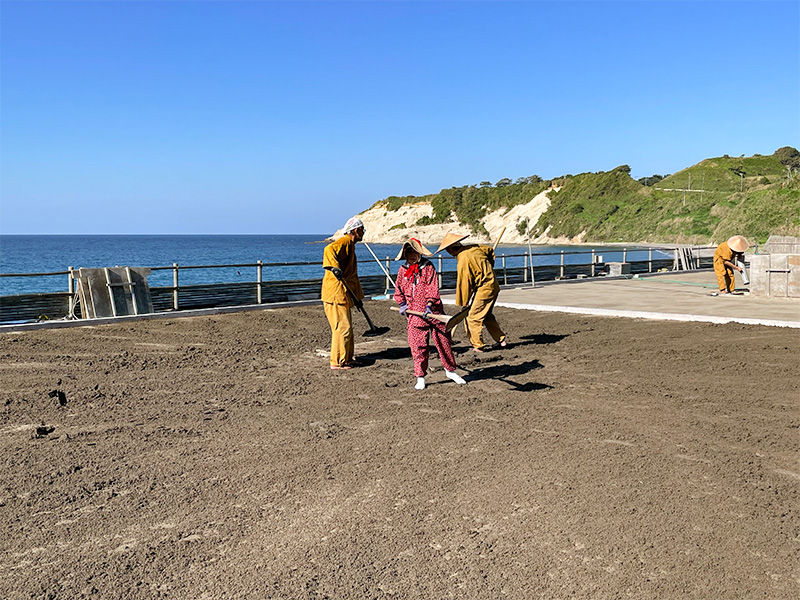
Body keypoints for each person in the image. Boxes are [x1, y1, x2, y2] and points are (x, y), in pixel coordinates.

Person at [394, 238, 466, 390]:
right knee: (418, 346)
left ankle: (450, 370)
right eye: (409, 252)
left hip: (433, 311)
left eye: (414, 252)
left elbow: (432, 288)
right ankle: (420, 377)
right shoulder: (402, 270)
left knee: (444, 342)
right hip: (414, 314)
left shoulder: (428, 267)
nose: (412, 255)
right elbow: (398, 289)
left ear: (419, 253)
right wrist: (402, 304)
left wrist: (429, 305)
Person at [437, 232, 507, 352]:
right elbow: (489, 250)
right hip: (492, 284)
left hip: (485, 287)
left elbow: (464, 283)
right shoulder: (474, 247)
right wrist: (489, 265)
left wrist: (464, 302)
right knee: (486, 315)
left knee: (472, 317)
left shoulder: (463, 259)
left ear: (450, 250)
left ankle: (478, 346)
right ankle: (501, 340)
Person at [321, 217, 366, 369]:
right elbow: (329, 249)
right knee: (342, 327)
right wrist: (334, 267)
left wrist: (357, 298)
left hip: (344, 293)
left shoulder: (351, 246)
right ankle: (337, 361)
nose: (363, 232)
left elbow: (352, 276)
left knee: (348, 328)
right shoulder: (345, 242)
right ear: (355, 230)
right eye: (362, 230)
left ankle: (347, 358)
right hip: (335, 293)